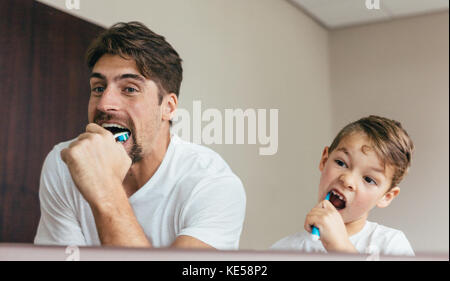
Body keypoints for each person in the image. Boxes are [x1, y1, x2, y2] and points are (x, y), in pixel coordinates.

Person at [34, 22, 246, 250]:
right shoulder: (64, 162)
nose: (105, 104)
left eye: (130, 89)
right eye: (98, 88)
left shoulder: (212, 184)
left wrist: (105, 191)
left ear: (168, 107)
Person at [271, 115, 415, 256]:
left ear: (386, 196)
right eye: (341, 163)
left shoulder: (391, 245)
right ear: (324, 160)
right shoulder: (283, 250)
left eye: (369, 179)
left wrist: (341, 248)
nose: (347, 180)